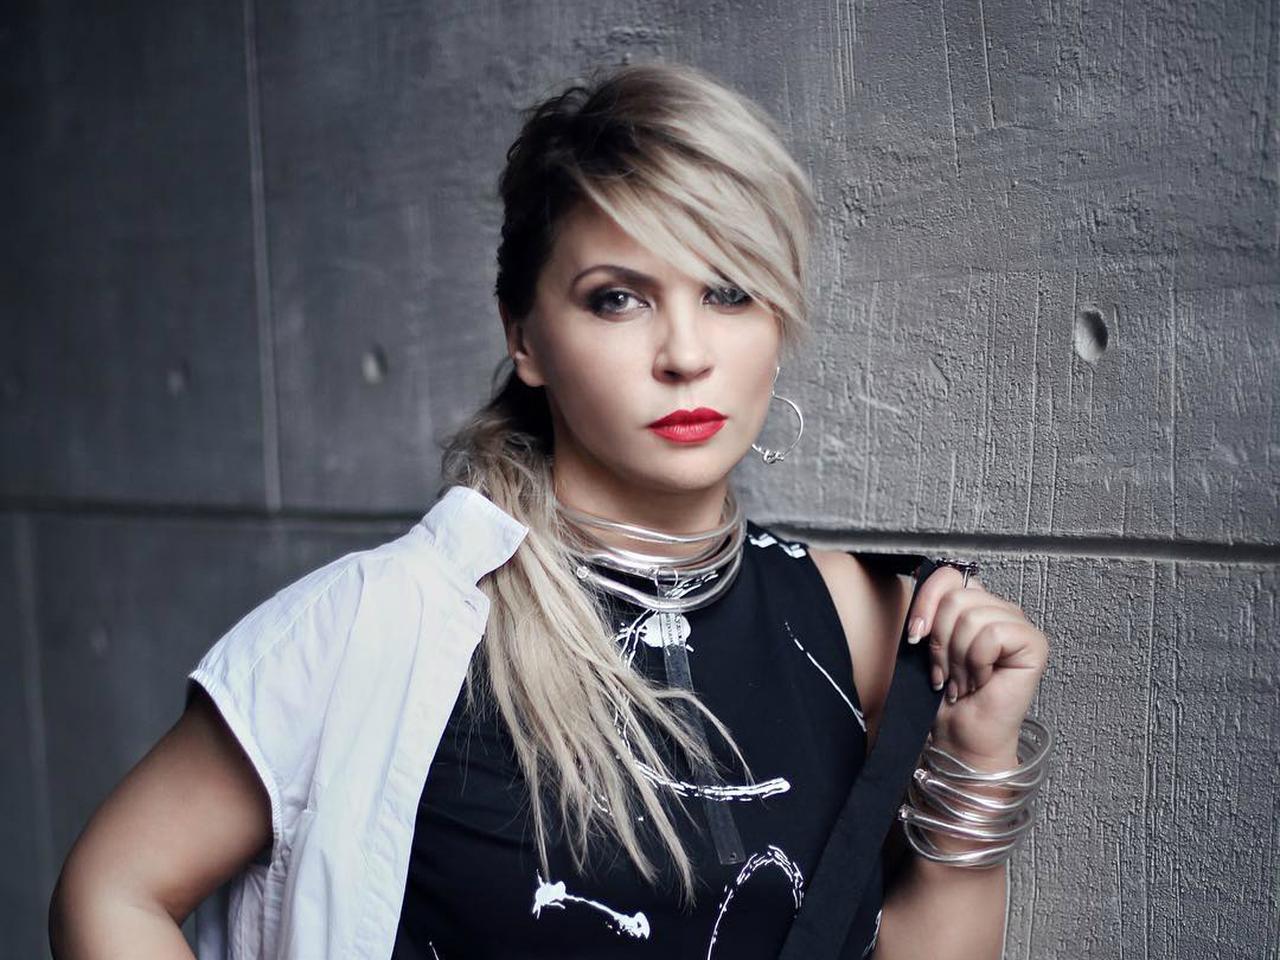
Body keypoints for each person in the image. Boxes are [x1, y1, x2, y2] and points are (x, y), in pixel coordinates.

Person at [48, 62, 1051, 959]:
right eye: (618, 298)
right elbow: (112, 889)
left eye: (728, 292)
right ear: (523, 336)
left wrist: (975, 752)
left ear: (777, 321)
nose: (685, 353)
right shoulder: (388, 623)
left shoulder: (866, 621)